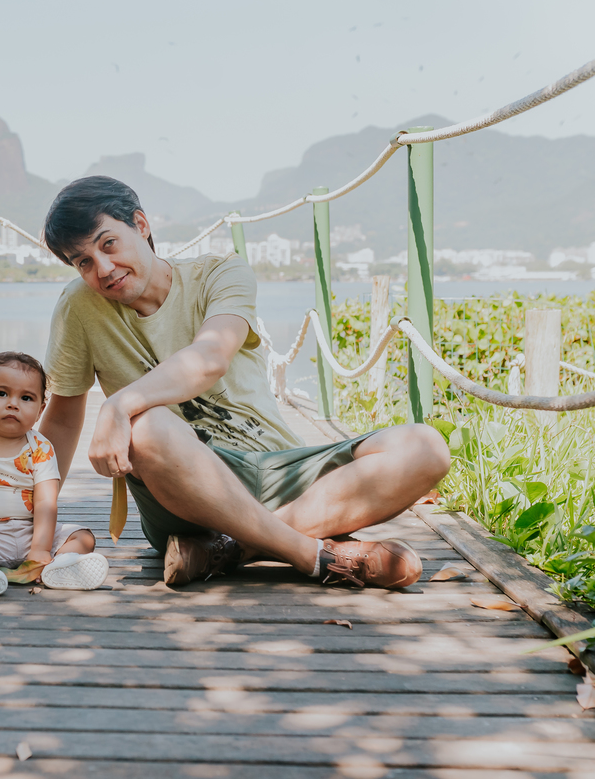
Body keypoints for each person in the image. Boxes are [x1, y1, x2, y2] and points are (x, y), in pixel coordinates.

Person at [37, 176, 452, 589]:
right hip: (179, 490)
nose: (103, 269)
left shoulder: (220, 272)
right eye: (83, 262)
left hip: (279, 469)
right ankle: (311, 554)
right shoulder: (79, 307)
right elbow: (63, 420)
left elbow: (210, 358)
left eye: (108, 244)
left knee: (426, 447)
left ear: (141, 225)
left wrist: (117, 404)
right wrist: (33, 528)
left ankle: (226, 549)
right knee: (146, 428)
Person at [0, 352, 109, 597]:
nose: (13, 403)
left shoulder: (41, 448)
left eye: (26, 398)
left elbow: (46, 502)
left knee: (83, 536)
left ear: (40, 411)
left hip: (30, 532)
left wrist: (40, 549)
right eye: (1, 393)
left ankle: (59, 566)